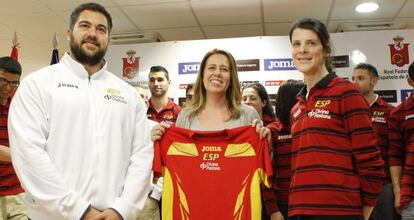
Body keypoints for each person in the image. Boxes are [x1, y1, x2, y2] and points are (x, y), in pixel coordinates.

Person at [8, 3, 153, 220]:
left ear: (109, 39)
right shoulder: (37, 85)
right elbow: (29, 156)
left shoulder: (129, 95)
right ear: (69, 33)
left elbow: (141, 156)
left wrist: (122, 210)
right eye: (85, 25)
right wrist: (80, 211)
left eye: (101, 29)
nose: (92, 33)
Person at [151, 49, 271, 219]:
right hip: (193, 210)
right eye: (212, 68)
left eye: (224, 69)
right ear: (203, 74)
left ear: (232, 77)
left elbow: (262, 166)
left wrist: (266, 143)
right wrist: (157, 139)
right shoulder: (186, 115)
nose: (217, 73)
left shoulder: (248, 114)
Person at [288, 18, 384, 220]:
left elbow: (370, 158)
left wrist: (366, 209)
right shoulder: (296, 107)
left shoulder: (347, 93)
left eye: (311, 43)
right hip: (299, 210)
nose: (302, 49)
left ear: (325, 50)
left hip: (339, 211)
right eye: (297, 44)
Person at [352, 63, 398, 220]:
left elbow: (395, 151)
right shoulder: (348, 110)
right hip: (353, 185)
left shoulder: (389, 111)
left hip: (382, 185)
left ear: (374, 81)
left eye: (360, 78)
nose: (355, 82)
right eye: (353, 78)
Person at [263, 80, 304, 220]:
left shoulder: (309, 127)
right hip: (283, 205)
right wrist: (273, 209)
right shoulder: (272, 131)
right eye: (301, 97)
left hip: (310, 203)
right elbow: (265, 174)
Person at [0, 57, 26, 220]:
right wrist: (25, 155)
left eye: (14, 83)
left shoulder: (18, 107)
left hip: (17, 191)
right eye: (3, 81)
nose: (8, 88)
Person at [388, 61, 414, 219]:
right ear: (410, 82)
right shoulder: (398, 114)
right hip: (411, 197)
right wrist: (398, 192)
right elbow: (395, 156)